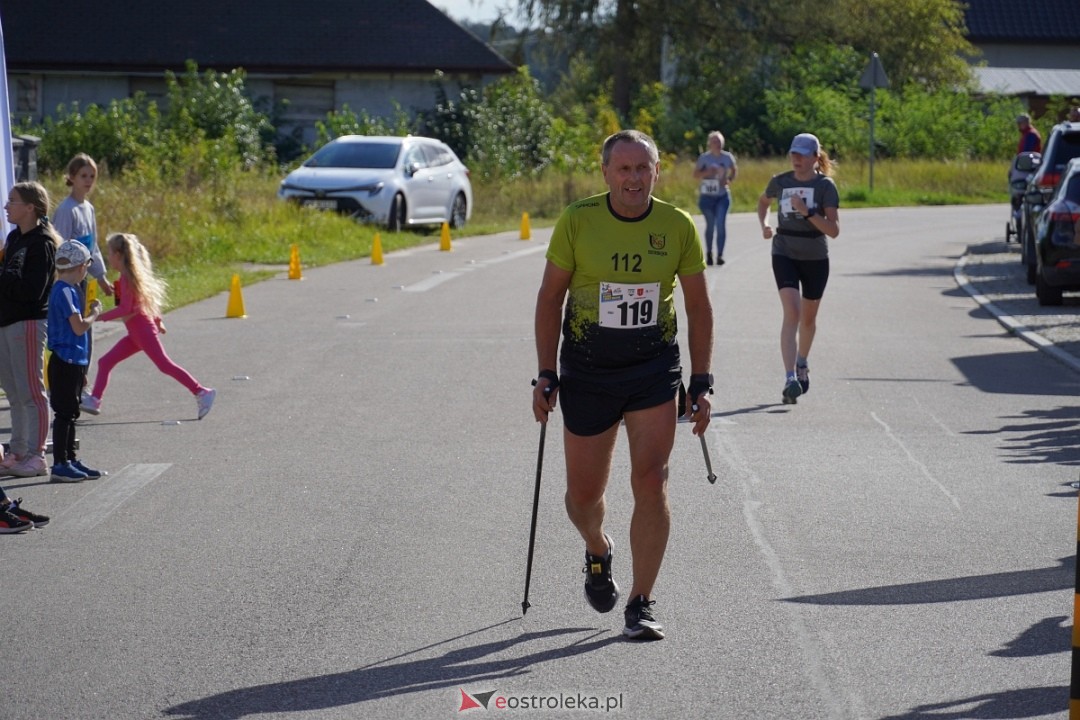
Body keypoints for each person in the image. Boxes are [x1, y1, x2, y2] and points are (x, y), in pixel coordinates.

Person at [532, 129, 714, 641]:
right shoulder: (578, 221)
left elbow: (699, 308)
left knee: (652, 480)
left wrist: (701, 381)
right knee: (583, 497)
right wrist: (547, 372)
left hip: (653, 368)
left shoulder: (677, 225)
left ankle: (641, 600)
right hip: (588, 369)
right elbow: (549, 300)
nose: (634, 178)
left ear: (657, 172)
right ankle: (596, 547)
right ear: (607, 172)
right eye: (624, 169)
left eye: (643, 169)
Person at [80, 233, 216, 420]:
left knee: (164, 365)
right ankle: (95, 400)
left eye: (109, 253)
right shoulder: (125, 277)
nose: (107, 257)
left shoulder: (127, 277)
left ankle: (201, 392)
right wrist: (157, 320)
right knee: (105, 362)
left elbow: (126, 308)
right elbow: (137, 302)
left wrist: (97, 317)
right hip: (135, 333)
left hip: (142, 331)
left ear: (119, 255)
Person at [756, 133, 840, 405]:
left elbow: (833, 230)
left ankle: (802, 362)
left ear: (816, 157)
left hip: (815, 257)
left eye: (803, 154)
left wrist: (806, 212)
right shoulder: (780, 181)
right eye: (794, 153)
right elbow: (762, 202)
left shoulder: (825, 185)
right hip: (785, 252)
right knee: (792, 312)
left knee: (808, 320)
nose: (797, 159)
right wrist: (765, 224)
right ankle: (790, 377)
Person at [0, 182, 59, 478]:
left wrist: (3, 280)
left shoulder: (42, 243)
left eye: (12, 201)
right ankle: (18, 452)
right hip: (7, 322)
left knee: (31, 391)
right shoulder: (13, 239)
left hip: (28, 322)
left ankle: (37, 456)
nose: (6, 206)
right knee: (13, 391)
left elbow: (33, 291)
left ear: (30, 207)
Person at [47, 240, 106, 482]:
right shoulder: (64, 291)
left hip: (73, 360)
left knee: (71, 412)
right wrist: (95, 313)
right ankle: (60, 463)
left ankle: (70, 458)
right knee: (64, 413)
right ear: (81, 266)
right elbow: (79, 327)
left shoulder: (67, 290)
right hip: (64, 359)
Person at [692, 131, 737, 266]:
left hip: (722, 196)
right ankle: (709, 253)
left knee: (721, 225)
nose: (717, 144)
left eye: (719, 141)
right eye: (715, 142)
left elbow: (734, 170)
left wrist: (729, 179)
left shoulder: (727, 157)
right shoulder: (704, 158)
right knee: (710, 225)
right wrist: (707, 172)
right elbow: (695, 174)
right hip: (707, 198)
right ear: (709, 144)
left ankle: (720, 255)